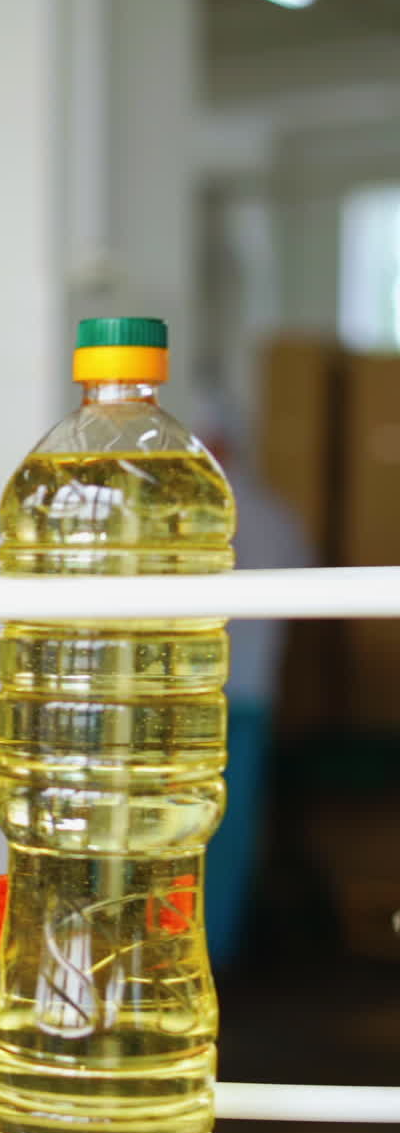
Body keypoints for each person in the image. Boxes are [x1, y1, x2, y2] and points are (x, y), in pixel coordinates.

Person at [198, 398, 312, 969]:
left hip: (194, 696)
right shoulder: (279, 514)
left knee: (183, 830)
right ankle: (218, 950)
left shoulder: (189, 513)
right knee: (233, 829)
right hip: (252, 694)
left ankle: (183, 951)